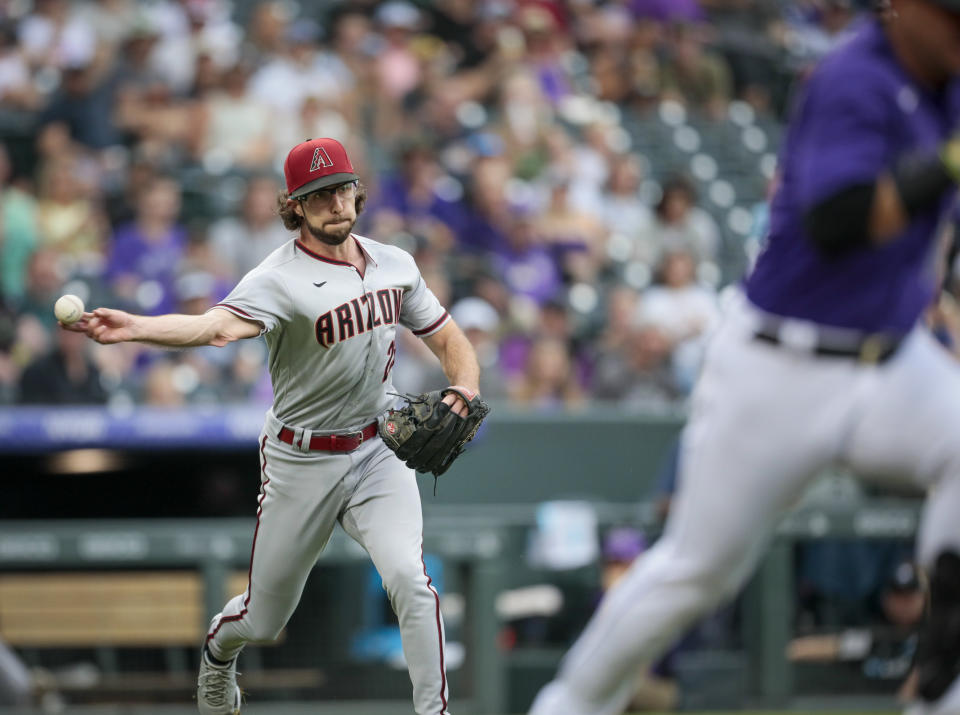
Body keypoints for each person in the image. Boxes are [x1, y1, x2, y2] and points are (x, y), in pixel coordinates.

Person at [530, 2, 960, 714]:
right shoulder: (853, 77)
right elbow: (840, 222)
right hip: (782, 365)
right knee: (698, 571)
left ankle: (940, 682)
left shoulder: (945, 77)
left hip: (891, 361)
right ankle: (570, 703)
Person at [63, 137, 481, 715]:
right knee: (263, 619)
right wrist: (134, 326)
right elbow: (211, 329)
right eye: (318, 196)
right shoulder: (278, 277)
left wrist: (466, 386)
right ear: (296, 207)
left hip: (376, 450)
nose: (335, 204)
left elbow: (448, 338)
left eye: (341, 190)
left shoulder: (395, 263)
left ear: (356, 191)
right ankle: (217, 653)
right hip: (299, 459)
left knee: (412, 580)